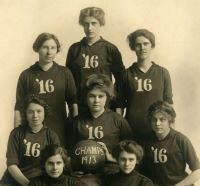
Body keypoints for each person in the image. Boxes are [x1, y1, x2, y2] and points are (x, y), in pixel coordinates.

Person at [14, 32, 78, 146]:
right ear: (37, 48)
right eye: (45, 47)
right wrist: (17, 135)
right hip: (33, 132)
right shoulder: (26, 75)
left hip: (59, 130)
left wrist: (73, 130)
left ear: (56, 50)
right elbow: (18, 108)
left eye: (53, 48)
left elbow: (73, 103)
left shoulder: (65, 73)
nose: (49, 52)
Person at [69, 74, 133, 176]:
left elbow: (131, 151)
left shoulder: (118, 120)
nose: (96, 101)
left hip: (111, 171)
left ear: (108, 97)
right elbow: (69, 152)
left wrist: (112, 158)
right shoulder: (76, 122)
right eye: (92, 96)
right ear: (86, 97)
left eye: (101, 96)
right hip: (85, 173)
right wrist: (74, 169)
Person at [116, 29, 173, 141]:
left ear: (152, 45)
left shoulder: (162, 73)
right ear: (133, 47)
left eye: (146, 44)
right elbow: (119, 107)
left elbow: (169, 104)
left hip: (157, 128)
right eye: (138, 45)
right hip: (132, 129)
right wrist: (121, 131)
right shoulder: (126, 74)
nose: (142, 48)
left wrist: (170, 130)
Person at [66, 7, 125, 112]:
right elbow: (69, 82)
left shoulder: (110, 49)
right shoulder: (74, 49)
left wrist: (118, 106)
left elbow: (121, 80)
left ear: (100, 24)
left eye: (94, 23)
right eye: (86, 24)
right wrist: (72, 107)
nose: (90, 28)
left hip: (105, 106)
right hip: (81, 106)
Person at [1, 95, 60, 186]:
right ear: (25, 114)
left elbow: (55, 165)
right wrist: (29, 185)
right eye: (30, 112)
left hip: (40, 182)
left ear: (45, 112)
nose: (35, 116)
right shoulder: (16, 134)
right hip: (15, 180)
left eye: (39, 111)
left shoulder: (51, 136)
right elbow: (11, 165)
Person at [141, 101, 200, 186]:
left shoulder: (180, 140)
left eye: (162, 119)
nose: (157, 123)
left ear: (170, 121)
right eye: (154, 119)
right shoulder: (144, 140)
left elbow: (197, 170)